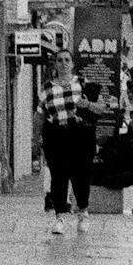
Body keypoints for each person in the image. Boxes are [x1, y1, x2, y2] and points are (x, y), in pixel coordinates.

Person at [39, 49, 95, 235]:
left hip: (80, 134)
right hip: (56, 135)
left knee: (81, 175)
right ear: (55, 64)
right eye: (60, 60)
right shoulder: (47, 88)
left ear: (72, 63)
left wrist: (88, 105)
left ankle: (83, 213)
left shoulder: (82, 83)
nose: (63, 63)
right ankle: (60, 217)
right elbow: (40, 114)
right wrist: (36, 137)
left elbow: (102, 107)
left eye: (67, 60)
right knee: (58, 176)